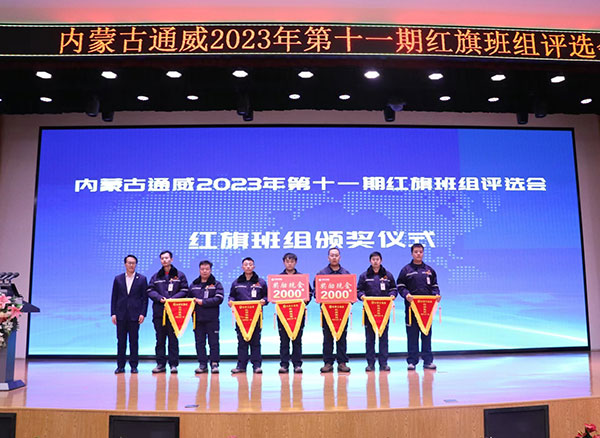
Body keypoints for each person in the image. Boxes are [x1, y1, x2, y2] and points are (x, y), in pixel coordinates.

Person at [397, 243, 441, 371]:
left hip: (426, 309)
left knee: (426, 334)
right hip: (411, 308)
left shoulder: (429, 270)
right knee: (412, 335)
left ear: (423, 253)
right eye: (416, 252)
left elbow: (434, 286)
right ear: (412, 253)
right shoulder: (406, 270)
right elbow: (400, 286)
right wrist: (406, 295)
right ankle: (412, 361)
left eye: (420, 252)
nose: (418, 254)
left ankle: (428, 361)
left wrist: (436, 295)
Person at [147, 250, 189, 374]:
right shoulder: (156, 276)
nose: (164, 260)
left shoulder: (179, 275)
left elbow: (185, 290)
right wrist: (159, 298)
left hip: (174, 313)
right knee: (160, 339)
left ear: (171, 259)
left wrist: (172, 300)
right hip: (159, 313)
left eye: (167, 258)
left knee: (173, 339)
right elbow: (150, 290)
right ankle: (160, 364)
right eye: (162, 258)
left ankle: (173, 364)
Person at [357, 251, 397, 372]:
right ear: (370, 261)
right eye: (373, 259)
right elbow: (358, 290)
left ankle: (383, 363)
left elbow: (394, 289)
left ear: (381, 260)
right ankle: (370, 363)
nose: (375, 261)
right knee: (370, 338)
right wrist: (362, 296)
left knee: (383, 338)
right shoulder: (364, 276)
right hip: (369, 311)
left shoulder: (387, 275)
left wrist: (392, 295)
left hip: (383, 311)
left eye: (377, 259)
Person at [228, 257, 268, 374]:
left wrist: (264, 301)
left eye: (250, 264)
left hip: (256, 317)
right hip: (241, 318)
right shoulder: (236, 283)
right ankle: (241, 366)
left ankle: (257, 366)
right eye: (246, 264)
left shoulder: (261, 282)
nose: (248, 266)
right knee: (242, 342)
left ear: (254, 267)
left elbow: (267, 296)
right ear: (242, 267)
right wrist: (230, 301)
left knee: (255, 342)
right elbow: (231, 296)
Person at [316, 247, 352, 373]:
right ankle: (328, 363)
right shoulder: (321, 274)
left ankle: (342, 362)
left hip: (342, 311)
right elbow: (316, 292)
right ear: (328, 258)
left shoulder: (346, 274)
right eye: (332, 255)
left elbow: (351, 292)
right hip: (327, 311)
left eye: (336, 255)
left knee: (342, 337)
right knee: (327, 338)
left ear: (339, 257)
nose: (334, 257)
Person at [111, 254, 148, 374]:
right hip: (121, 315)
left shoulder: (142, 279)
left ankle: (134, 366)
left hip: (135, 315)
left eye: (133, 263)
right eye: (129, 263)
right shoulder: (118, 279)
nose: (131, 265)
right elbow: (114, 297)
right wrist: (113, 313)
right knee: (121, 341)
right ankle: (120, 366)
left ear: (136, 264)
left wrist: (143, 313)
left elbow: (145, 299)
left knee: (134, 341)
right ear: (125, 264)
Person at [277, 252, 311, 374]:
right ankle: (284, 364)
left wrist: (306, 299)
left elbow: (309, 293)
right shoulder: (278, 279)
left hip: (298, 314)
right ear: (284, 262)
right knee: (284, 341)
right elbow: (273, 294)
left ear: (295, 263)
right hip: (283, 314)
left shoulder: (302, 278)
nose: (289, 264)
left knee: (297, 340)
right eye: (287, 261)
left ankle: (297, 364)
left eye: (292, 261)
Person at [188, 260, 224, 374]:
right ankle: (202, 364)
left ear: (210, 270)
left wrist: (203, 302)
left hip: (212, 319)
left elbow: (219, 299)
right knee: (200, 342)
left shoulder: (216, 284)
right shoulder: (194, 285)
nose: (204, 271)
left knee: (214, 342)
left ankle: (214, 364)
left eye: (207, 269)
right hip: (197, 319)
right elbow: (188, 300)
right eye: (202, 269)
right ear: (199, 270)